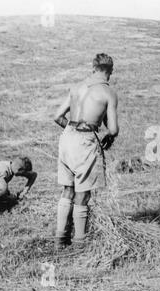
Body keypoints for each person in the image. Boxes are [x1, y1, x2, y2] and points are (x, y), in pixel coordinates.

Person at [54, 53, 119, 249]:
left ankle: (60, 239)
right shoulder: (108, 93)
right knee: (83, 194)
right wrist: (107, 137)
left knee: (68, 190)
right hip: (85, 141)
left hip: (66, 138)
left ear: (93, 68)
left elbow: (57, 116)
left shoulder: (76, 87)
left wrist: (71, 128)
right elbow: (113, 129)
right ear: (110, 71)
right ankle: (79, 244)